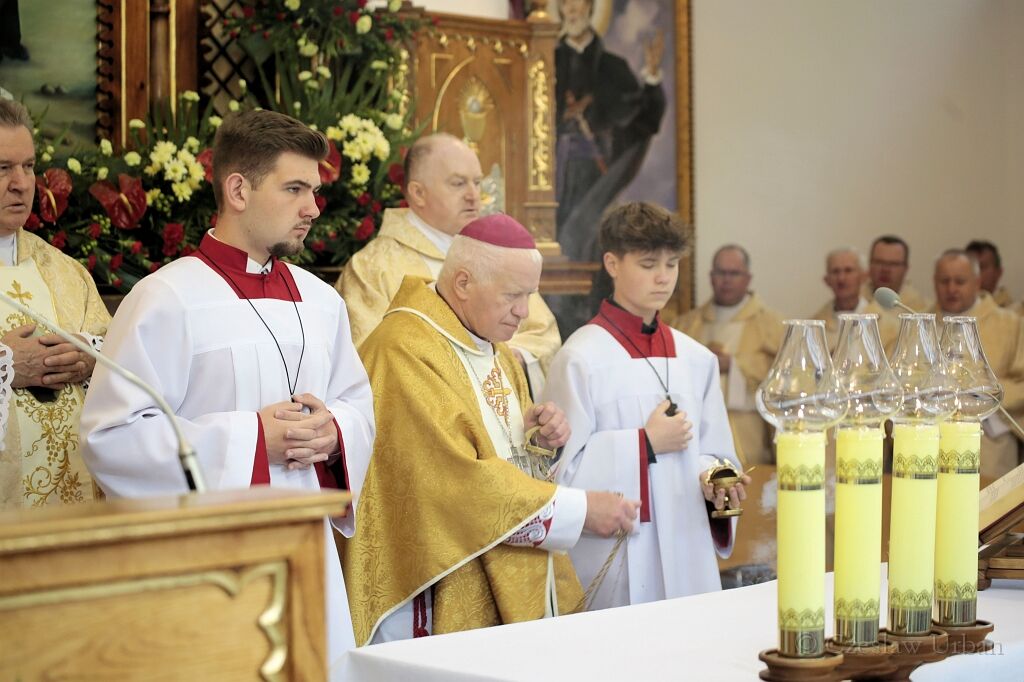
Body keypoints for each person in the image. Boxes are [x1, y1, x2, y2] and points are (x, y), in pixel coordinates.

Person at [79, 110, 375, 671]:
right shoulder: (166, 298)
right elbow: (111, 438)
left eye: (314, 191)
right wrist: (253, 441)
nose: (313, 208)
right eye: (294, 189)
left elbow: (357, 404)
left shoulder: (322, 301)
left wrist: (334, 432)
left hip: (306, 555)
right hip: (206, 566)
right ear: (238, 190)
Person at [345, 213, 640, 645]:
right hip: (435, 584)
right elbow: (452, 483)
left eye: (530, 295)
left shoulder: (492, 346)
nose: (524, 312)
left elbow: (502, 453)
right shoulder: (403, 351)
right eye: (513, 296)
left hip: (499, 559)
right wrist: (579, 511)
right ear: (463, 283)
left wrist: (540, 442)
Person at [543, 202, 749, 610]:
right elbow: (559, 476)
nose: (663, 277)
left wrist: (718, 480)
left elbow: (718, 453)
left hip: (688, 547)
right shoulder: (580, 358)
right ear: (612, 264)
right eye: (648, 264)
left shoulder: (697, 359)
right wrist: (644, 444)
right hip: (617, 560)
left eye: (672, 264)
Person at [336, 132, 560, 385]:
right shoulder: (374, 268)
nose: (474, 195)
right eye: (458, 183)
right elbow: (369, 360)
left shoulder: (497, 253)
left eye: (477, 182)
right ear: (418, 193)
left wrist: (510, 359)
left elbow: (544, 334)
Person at [0, 99, 108, 509]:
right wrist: (7, 364)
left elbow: (117, 352)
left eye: (28, 166)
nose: (21, 183)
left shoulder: (64, 271)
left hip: (77, 508)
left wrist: (89, 360)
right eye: (2, 168)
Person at [554, 0, 666, 262]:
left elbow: (644, 120)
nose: (572, 10)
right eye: (565, 3)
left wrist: (651, 79)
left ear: (590, 8)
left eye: (578, 2)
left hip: (596, 175)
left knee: (593, 243)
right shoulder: (545, 63)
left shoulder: (613, 68)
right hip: (553, 174)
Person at [677, 244, 783, 465]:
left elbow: (784, 378)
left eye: (734, 273)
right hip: (697, 429)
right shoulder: (686, 324)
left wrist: (733, 365)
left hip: (750, 431)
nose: (726, 280)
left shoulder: (772, 324)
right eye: (720, 272)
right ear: (711, 277)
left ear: (748, 278)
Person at [933, 249, 1024, 479]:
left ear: (977, 282)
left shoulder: (1010, 324)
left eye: (960, 281)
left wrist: (982, 394)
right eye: (944, 281)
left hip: (991, 449)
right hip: (933, 446)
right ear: (934, 282)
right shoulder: (921, 324)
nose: (951, 289)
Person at [812, 247, 897, 353]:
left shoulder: (888, 326)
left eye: (848, 270)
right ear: (827, 280)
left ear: (864, 276)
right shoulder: (814, 328)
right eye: (835, 271)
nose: (841, 278)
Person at [862, 235, 927, 311]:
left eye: (893, 264)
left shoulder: (922, 308)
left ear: (906, 268)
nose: (885, 269)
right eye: (879, 262)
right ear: (870, 264)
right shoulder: (855, 300)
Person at [965, 240, 1018, 311]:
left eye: (981, 267)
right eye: (970, 267)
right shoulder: (952, 311)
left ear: (998, 272)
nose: (974, 273)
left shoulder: (1014, 313)